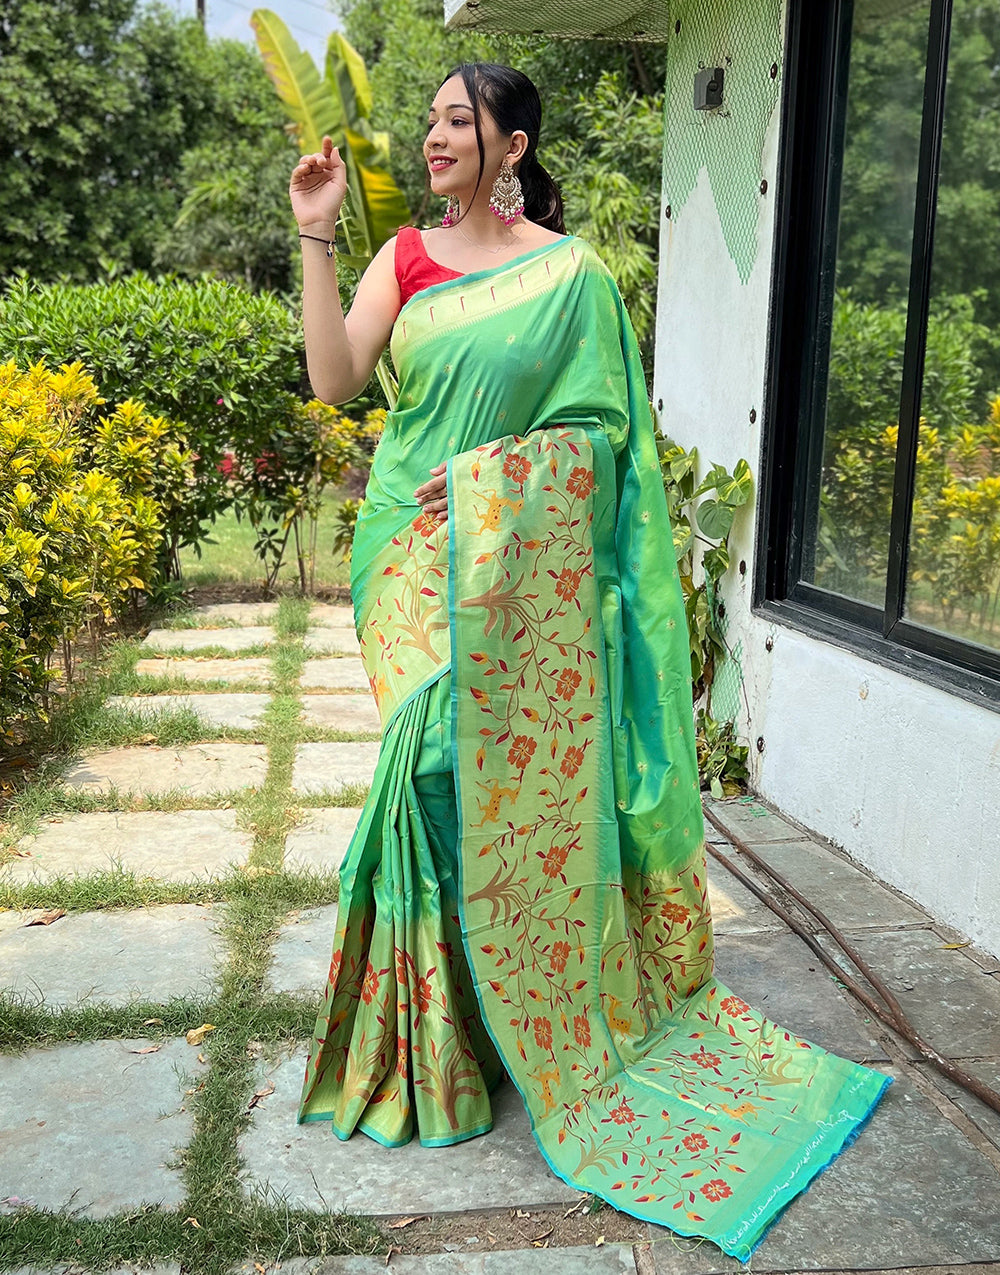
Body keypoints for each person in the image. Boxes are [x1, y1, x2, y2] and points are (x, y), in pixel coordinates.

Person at [289, 62, 889, 1260]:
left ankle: (509, 1015)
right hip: (403, 554)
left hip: (510, 568)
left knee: (477, 778)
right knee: (425, 762)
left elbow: (598, 443)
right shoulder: (401, 258)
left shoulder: (570, 278)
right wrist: (314, 236)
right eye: (431, 119)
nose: (434, 136)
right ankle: (438, 1043)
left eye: (459, 120)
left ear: (513, 147)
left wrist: (503, 499)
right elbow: (335, 381)